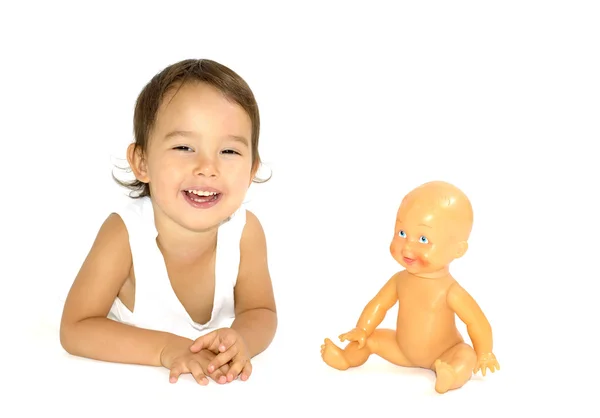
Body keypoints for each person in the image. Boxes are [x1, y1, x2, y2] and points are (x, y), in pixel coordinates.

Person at [60, 58, 277, 386]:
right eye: (184, 147)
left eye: (229, 152)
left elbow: (262, 311)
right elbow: (75, 328)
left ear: (252, 169)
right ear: (142, 161)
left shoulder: (245, 233)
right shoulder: (124, 235)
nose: (207, 167)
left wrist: (240, 340)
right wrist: (167, 348)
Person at [320, 181, 500, 394]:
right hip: (401, 348)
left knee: (466, 356)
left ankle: (450, 376)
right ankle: (346, 358)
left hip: (444, 352)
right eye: (402, 233)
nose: (407, 247)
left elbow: (477, 322)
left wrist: (485, 352)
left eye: (423, 239)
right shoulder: (399, 280)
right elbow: (379, 305)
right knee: (369, 339)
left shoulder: (451, 291)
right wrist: (363, 328)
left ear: (458, 250)